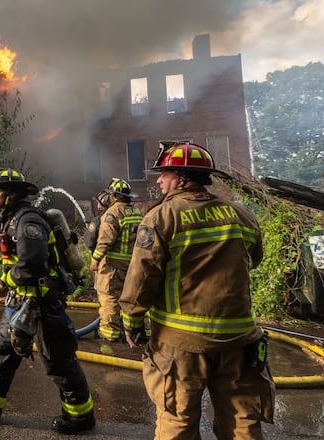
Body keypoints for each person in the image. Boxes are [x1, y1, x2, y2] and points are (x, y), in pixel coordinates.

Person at [119, 141, 275, 439]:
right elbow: (254, 259)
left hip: (181, 345)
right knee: (242, 424)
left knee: (177, 423)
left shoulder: (162, 217)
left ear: (181, 178)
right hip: (239, 341)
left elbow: (142, 278)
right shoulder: (241, 214)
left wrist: (132, 321)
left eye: (164, 174)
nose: (159, 181)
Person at [0, 169, 95, 435]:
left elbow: (32, 264)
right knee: (2, 351)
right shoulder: (11, 219)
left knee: (58, 360)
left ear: (11, 193)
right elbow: (13, 261)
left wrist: (10, 280)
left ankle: (80, 416)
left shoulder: (28, 220)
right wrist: (4, 282)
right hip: (20, 300)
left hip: (42, 303)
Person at [89, 178, 142, 343]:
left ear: (113, 196)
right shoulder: (137, 212)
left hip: (113, 267)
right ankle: (135, 332)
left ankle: (109, 334)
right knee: (131, 299)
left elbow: (105, 240)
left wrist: (95, 260)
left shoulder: (112, 213)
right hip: (133, 267)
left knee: (109, 299)